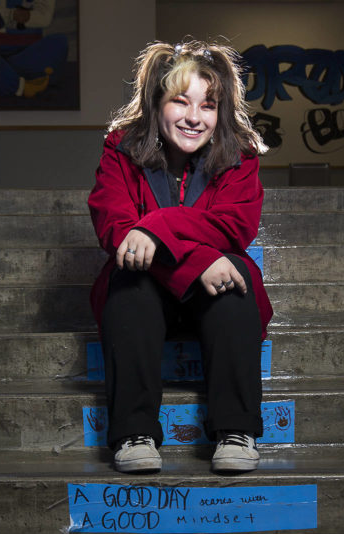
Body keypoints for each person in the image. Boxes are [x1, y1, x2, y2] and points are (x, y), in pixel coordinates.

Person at [88, 40, 271, 475]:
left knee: (236, 277)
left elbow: (233, 227)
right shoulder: (121, 149)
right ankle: (135, 432)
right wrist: (197, 261)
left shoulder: (240, 156)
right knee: (129, 279)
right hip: (147, 296)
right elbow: (116, 229)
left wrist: (156, 226)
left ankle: (235, 430)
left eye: (208, 106)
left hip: (214, 301)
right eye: (180, 102)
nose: (194, 117)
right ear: (157, 103)